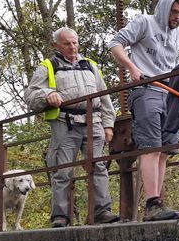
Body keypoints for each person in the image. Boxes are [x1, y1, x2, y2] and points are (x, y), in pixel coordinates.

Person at [25, 27, 119, 228]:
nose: (72, 47)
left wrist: (109, 125)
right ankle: (61, 216)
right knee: (63, 170)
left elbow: (104, 96)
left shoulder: (90, 65)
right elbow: (31, 96)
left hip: (93, 122)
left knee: (99, 167)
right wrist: (46, 96)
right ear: (56, 45)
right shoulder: (48, 66)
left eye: (75, 42)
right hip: (65, 124)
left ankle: (102, 211)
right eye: (67, 43)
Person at [109, 0, 179, 221]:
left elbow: (172, 63)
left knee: (165, 150)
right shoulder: (145, 22)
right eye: (173, 11)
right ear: (164, 8)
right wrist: (132, 68)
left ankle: (158, 203)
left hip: (170, 92)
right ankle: (152, 204)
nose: (177, 17)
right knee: (151, 147)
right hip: (147, 90)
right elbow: (115, 44)